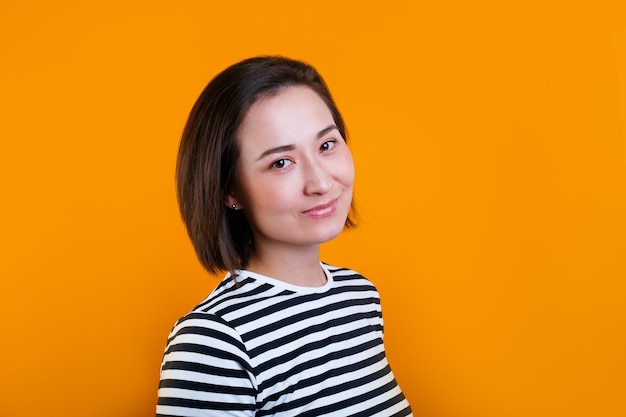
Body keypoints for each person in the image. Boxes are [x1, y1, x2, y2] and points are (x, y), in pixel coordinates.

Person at [156, 56, 413, 417]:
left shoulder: (359, 296)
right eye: (281, 162)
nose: (321, 183)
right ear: (230, 190)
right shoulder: (215, 340)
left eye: (327, 145)